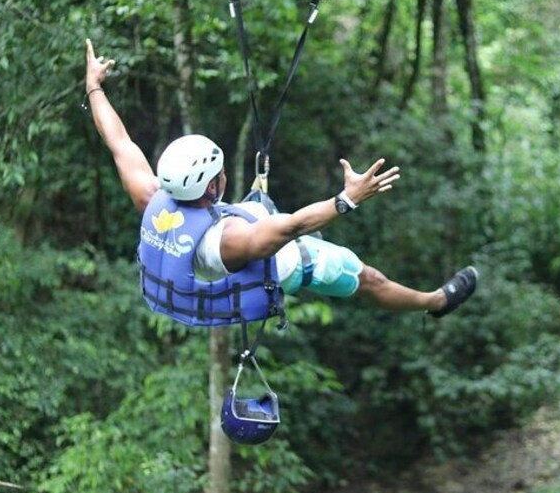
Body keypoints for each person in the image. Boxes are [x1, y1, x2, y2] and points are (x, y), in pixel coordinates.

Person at [83, 38, 478, 323]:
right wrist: (349, 198)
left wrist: (94, 86)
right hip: (282, 266)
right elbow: (292, 226)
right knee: (365, 278)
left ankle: (300, 230)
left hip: (225, 237)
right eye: (219, 173)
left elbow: (120, 143)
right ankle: (434, 301)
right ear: (211, 187)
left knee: (260, 209)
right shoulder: (233, 240)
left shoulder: (153, 196)